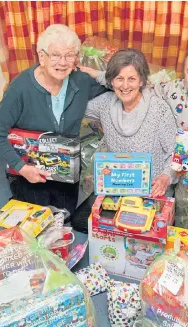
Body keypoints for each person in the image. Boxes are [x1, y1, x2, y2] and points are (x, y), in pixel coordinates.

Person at [0, 24, 108, 214]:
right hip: (30, 171)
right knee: (35, 222)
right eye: (56, 55)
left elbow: (119, 83)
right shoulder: (20, 88)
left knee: (64, 219)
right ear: (42, 57)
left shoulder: (81, 81)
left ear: (76, 59)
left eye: (69, 55)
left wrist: (97, 74)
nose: (63, 62)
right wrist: (21, 168)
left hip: (65, 170)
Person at [70, 49, 177, 232]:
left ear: (142, 81)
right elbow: (74, 109)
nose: (125, 85)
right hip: (116, 185)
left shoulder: (159, 110)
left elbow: (175, 151)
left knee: (146, 230)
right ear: (111, 81)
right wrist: (69, 76)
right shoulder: (105, 103)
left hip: (150, 189)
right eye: (119, 79)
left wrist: (166, 177)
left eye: (132, 79)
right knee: (80, 221)